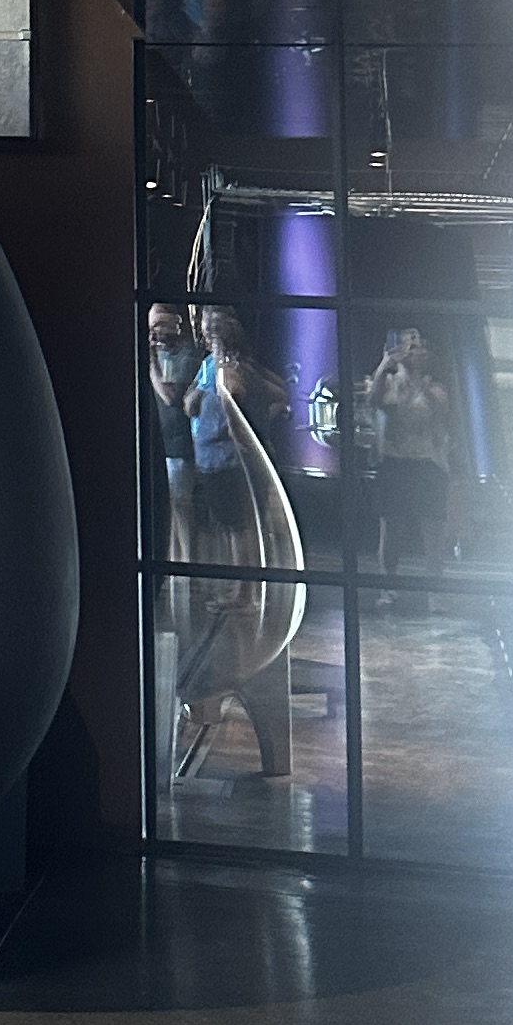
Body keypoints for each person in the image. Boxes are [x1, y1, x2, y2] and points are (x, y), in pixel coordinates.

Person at [148, 297, 305, 779]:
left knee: (242, 530)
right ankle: (240, 589)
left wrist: (244, 410)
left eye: (210, 330)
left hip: (230, 460)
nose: (203, 335)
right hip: (212, 459)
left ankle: (247, 590)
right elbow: (191, 403)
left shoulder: (232, 367)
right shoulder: (209, 365)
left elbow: (243, 394)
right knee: (231, 529)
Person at [357, 323, 456, 575]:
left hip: (428, 463)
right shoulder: (388, 383)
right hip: (395, 461)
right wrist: (385, 364)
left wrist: (418, 383)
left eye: (420, 347)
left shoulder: (435, 387)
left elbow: (441, 410)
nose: (416, 352)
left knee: (433, 530)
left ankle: (434, 586)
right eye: (410, 347)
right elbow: (373, 400)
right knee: (391, 528)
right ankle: (388, 585)